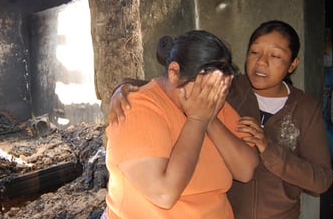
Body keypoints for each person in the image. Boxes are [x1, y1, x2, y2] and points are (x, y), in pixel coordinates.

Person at [109, 20, 333, 219]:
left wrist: (267, 148)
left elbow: (319, 179)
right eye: (254, 53)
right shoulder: (230, 89)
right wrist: (122, 87)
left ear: (293, 64)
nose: (261, 63)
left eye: (275, 56)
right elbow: (166, 86)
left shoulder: (304, 108)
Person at [104, 30, 259, 218]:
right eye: (205, 86)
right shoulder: (136, 108)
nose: (212, 95)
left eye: (219, 87)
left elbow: (245, 170)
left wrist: (210, 118)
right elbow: (164, 194)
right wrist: (197, 120)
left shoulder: (213, 103)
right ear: (174, 72)